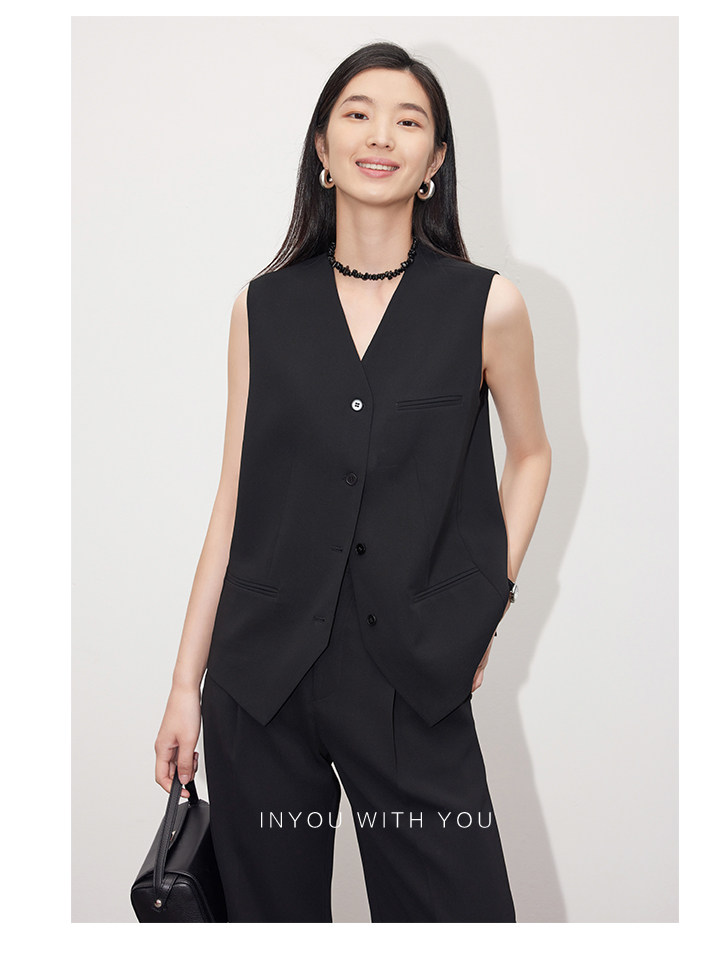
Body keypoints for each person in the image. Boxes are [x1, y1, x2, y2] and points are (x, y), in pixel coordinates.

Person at [154, 40, 552, 923]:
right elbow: (233, 498)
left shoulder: (487, 305)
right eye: (358, 114)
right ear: (323, 149)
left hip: (411, 673)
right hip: (261, 679)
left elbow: (533, 454)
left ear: (434, 161)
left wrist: (484, 601)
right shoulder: (262, 306)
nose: (381, 135)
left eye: (409, 121)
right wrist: (185, 684)